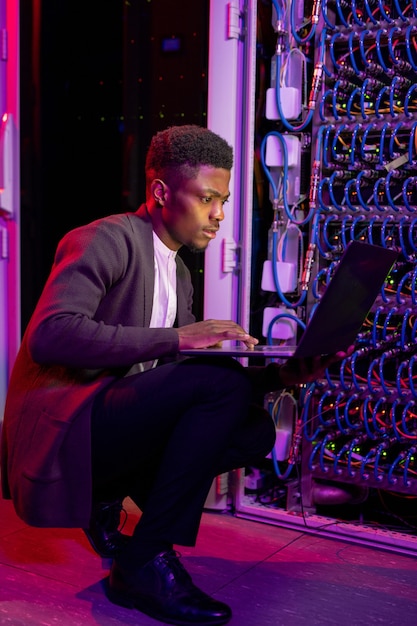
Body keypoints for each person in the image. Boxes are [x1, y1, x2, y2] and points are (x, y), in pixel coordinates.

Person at [0, 124, 349, 626]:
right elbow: (51, 334)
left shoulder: (179, 270)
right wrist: (180, 337)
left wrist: (283, 377)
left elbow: (179, 383)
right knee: (215, 383)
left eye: (223, 200)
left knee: (252, 427)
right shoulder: (104, 238)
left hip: (113, 421)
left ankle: (121, 517)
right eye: (207, 198)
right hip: (67, 424)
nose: (219, 216)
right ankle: (146, 559)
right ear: (162, 192)